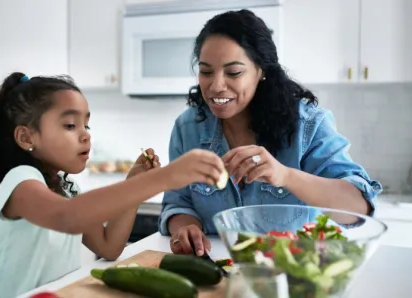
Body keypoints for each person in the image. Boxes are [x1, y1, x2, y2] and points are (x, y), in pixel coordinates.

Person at [0, 72, 225, 298]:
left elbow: (109, 247)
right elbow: (68, 217)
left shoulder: (68, 190)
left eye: (86, 124)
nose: (85, 134)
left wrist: (133, 184)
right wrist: (164, 177)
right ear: (26, 137)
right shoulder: (21, 181)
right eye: (70, 125)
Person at [158, 9, 382, 257]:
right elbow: (178, 202)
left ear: (261, 71)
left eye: (233, 72)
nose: (216, 85)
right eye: (206, 71)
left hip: (292, 275)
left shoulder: (308, 125)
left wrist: (285, 175)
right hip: (215, 273)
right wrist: (186, 226)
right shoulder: (187, 128)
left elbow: (358, 209)